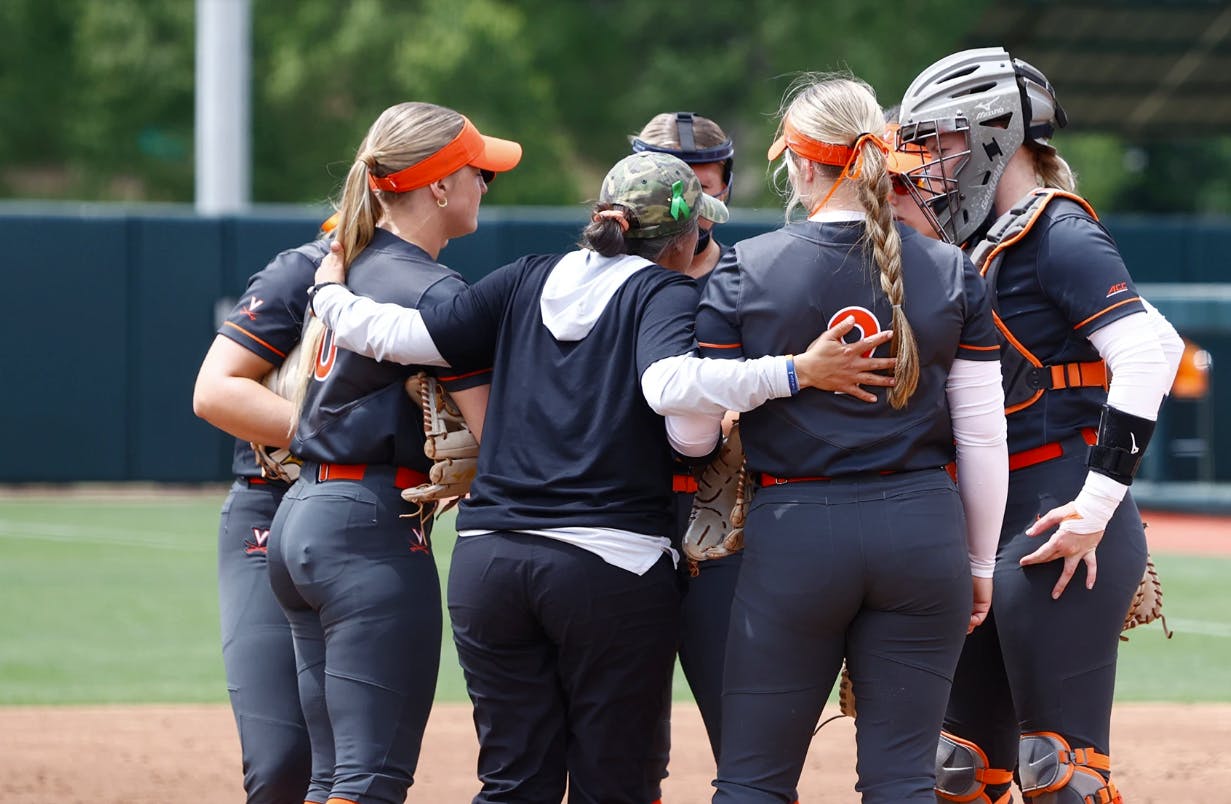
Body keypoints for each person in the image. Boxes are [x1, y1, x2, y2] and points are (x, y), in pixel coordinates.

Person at [303, 150, 898, 803]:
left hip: (489, 563)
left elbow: (398, 333)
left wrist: (328, 288)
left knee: (513, 782)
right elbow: (674, 398)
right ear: (686, 235)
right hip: (608, 565)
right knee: (613, 782)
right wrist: (796, 372)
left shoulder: (524, 276)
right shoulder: (663, 291)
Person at [695, 74, 1009, 803]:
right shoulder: (950, 269)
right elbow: (981, 437)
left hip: (795, 531)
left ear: (801, 165)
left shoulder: (746, 267)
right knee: (901, 781)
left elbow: (689, 434)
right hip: (922, 528)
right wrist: (980, 563)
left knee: (752, 782)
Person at [896, 47, 1182, 804]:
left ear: (996, 133)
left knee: (1057, 770)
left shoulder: (1058, 231)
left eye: (940, 140)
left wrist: (1095, 506)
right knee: (956, 771)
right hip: (977, 519)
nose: (927, 162)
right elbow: (1166, 339)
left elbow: (1150, 356)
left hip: (1055, 511)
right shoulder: (966, 243)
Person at [265, 100, 520, 804]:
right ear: (439, 186)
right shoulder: (433, 290)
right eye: (477, 173)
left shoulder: (357, 268)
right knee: (370, 782)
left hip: (303, 514)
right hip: (368, 530)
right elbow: (494, 435)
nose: (484, 186)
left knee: (331, 779)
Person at [192, 218, 335, 802]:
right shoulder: (301, 271)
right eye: (473, 174)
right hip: (270, 503)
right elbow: (214, 393)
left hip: (378, 518)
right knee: (282, 760)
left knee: (354, 763)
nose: (483, 185)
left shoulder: (431, 285)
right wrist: (342, 434)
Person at [630, 110, 744, 790]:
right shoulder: (592, 284)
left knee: (747, 741)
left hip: (724, 528)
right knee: (625, 753)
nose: (688, 199)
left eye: (702, 179)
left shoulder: (752, 278)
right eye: (670, 179)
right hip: (623, 523)